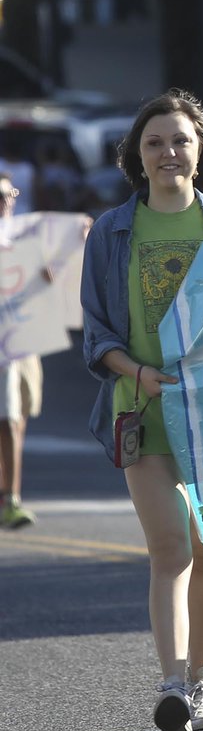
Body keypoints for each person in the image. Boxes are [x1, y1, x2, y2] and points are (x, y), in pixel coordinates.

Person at [80, 90, 203, 731]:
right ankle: (173, 682)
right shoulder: (112, 230)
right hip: (141, 408)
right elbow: (98, 334)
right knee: (170, 546)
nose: (168, 152)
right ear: (137, 157)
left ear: (199, 147)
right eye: (154, 143)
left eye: (179, 140)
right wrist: (141, 374)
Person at [0, 173, 43, 529]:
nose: (5, 200)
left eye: (9, 193)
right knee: (8, 420)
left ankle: (10, 495)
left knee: (17, 419)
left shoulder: (23, 236)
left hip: (20, 345)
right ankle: (9, 499)